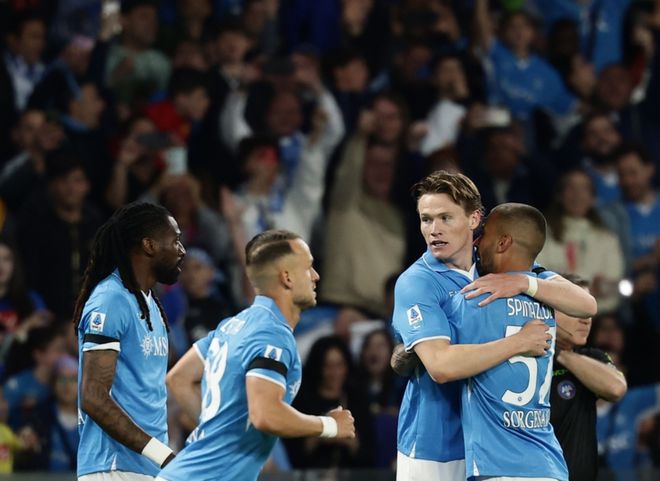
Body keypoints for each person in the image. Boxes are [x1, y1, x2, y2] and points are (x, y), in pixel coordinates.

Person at [390, 170, 597, 481]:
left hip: (492, 448)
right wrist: (518, 343)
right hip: (435, 446)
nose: (434, 230)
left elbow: (586, 305)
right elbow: (441, 366)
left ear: (474, 219)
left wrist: (523, 282)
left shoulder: (497, 261)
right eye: (426, 219)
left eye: (445, 218)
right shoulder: (417, 282)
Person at [158, 229, 355, 481]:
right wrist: (329, 426)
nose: (316, 276)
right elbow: (265, 414)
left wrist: (221, 435)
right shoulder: (272, 334)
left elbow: (179, 379)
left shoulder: (233, 325)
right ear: (287, 277)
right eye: (308, 267)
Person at [449, 203, 567, 480]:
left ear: (503, 243)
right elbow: (587, 304)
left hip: (502, 464)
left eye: (484, 235)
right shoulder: (548, 303)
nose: (477, 242)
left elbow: (440, 362)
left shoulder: (476, 298)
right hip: (548, 464)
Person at [74, 202, 186, 480]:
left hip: (146, 467)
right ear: (149, 245)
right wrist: (163, 455)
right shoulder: (110, 299)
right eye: (175, 241)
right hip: (113, 466)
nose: (182, 250)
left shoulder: (151, 304)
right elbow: (93, 397)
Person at [550, 274, 627, 481]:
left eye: (589, 311)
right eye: (577, 309)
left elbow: (616, 388)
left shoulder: (592, 358)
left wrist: (559, 354)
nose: (586, 319)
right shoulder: (526, 362)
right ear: (550, 310)